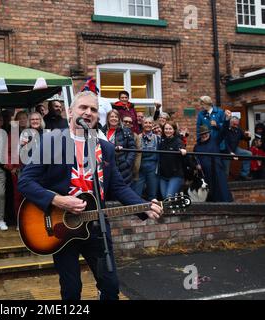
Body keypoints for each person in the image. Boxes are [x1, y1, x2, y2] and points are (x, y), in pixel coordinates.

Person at [18, 91, 163, 300]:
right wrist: (57, 200)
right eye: (83, 108)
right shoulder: (51, 142)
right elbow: (25, 182)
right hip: (61, 228)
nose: (88, 113)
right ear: (70, 112)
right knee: (71, 289)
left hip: (96, 227)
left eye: (93, 110)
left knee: (111, 287)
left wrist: (144, 205)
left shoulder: (104, 148)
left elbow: (118, 186)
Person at [193, 125, 233, 202]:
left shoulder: (215, 141)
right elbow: (195, 158)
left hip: (217, 171)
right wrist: (197, 165)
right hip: (205, 173)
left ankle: (226, 208)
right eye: (202, 134)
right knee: (209, 194)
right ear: (200, 135)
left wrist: (227, 120)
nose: (204, 135)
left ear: (209, 133)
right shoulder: (197, 146)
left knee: (222, 192)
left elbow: (223, 131)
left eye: (206, 133)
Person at [102, 110, 136, 184]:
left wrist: (127, 163)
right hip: (106, 167)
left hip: (122, 169)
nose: (114, 118)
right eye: (111, 116)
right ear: (108, 118)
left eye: (116, 117)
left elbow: (132, 149)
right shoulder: (102, 131)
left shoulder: (126, 131)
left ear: (119, 119)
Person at [131, 117, 161, 200]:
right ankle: (137, 212)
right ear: (142, 124)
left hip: (153, 169)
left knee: (152, 194)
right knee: (136, 194)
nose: (148, 125)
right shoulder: (137, 137)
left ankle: (153, 212)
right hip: (140, 168)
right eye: (146, 123)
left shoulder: (157, 138)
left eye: (150, 123)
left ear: (152, 125)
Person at [158, 122, 187, 199]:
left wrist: (182, 150)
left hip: (175, 175)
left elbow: (180, 147)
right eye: (166, 129)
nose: (168, 131)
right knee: (165, 197)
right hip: (163, 175)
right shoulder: (162, 142)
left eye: (170, 129)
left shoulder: (178, 141)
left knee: (168, 197)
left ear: (174, 130)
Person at [223, 116, 252, 180]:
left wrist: (249, 136)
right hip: (225, 151)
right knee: (226, 171)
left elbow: (244, 138)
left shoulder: (238, 130)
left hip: (235, 149)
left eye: (237, 124)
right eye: (234, 124)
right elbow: (225, 143)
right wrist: (230, 152)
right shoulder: (225, 129)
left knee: (248, 154)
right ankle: (224, 183)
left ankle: (243, 174)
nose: (236, 126)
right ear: (230, 123)